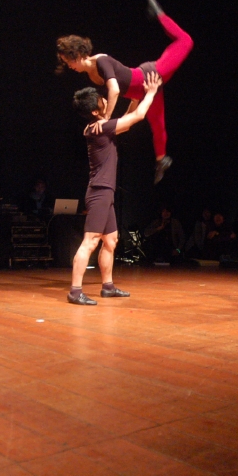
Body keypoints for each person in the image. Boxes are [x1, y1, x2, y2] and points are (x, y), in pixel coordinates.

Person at [56, 0, 193, 184]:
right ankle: (161, 160)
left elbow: (115, 90)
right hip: (145, 91)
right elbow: (114, 98)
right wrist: (114, 119)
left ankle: (159, 15)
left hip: (150, 76)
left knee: (186, 41)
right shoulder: (90, 76)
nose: (68, 66)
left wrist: (105, 119)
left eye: (68, 61)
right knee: (158, 126)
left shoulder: (101, 61)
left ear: (77, 55)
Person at [66, 71, 163, 305]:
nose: (105, 99)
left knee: (110, 241)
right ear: (94, 111)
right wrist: (150, 93)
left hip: (105, 192)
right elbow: (137, 117)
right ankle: (75, 291)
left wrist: (134, 98)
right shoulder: (100, 128)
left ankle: (107, 286)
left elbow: (125, 123)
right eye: (101, 100)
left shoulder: (98, 127)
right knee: (90, 241)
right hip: (100, 191)